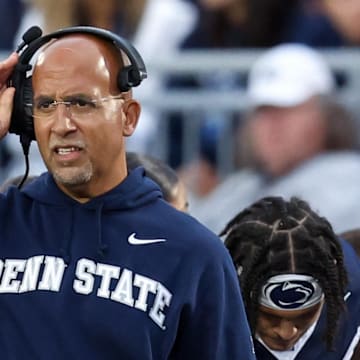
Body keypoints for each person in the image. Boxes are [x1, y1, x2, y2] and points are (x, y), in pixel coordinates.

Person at [0, 27, 255, 359]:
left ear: (128, 117)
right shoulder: (6, 221)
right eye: (46, 105)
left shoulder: (194, 253)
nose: (61, 125)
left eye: (81, 103)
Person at [191, 43, 360, 235]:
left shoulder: (346, 181)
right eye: (263, 113)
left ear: (327, 116)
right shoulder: (244, 184)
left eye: (287, 110)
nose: (273, 126)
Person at [221, 195, 360, 359]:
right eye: (270, 316)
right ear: (240, 290)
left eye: (305, 315)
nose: (286, 334)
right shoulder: (208, 320)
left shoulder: (353, 287)